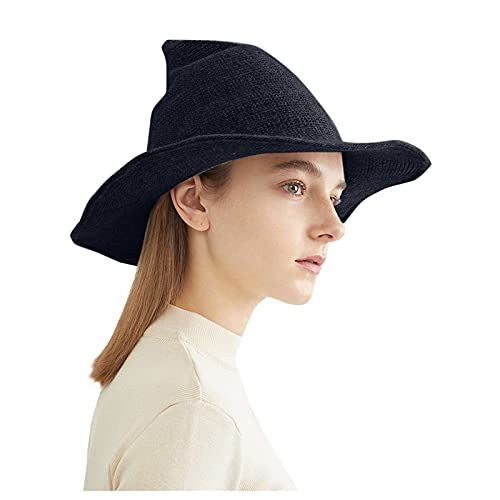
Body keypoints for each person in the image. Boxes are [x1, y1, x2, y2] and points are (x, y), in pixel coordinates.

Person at [75, 39, 431, 491]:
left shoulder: (175, 371)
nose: (333, 226)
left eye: (334, 196)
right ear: (194, 201)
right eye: (295, 186)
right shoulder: (194, 407)